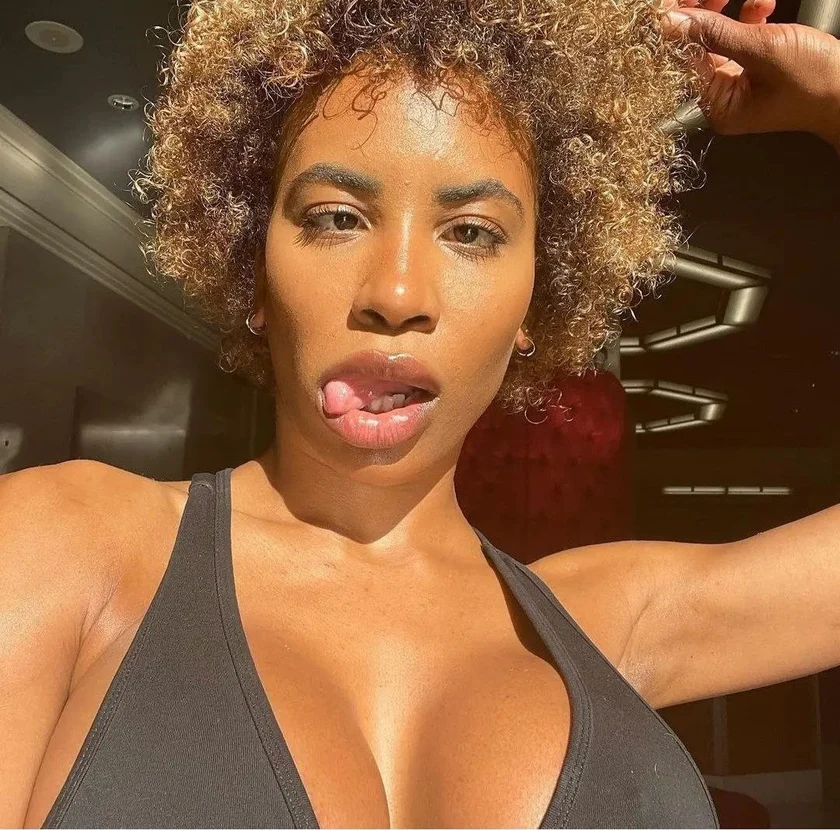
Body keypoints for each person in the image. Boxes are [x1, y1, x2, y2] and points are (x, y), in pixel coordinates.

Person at [2, 0, 839, 827]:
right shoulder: (63, 548)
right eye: (337, 218)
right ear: (255, 269)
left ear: (536, 300)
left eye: (471, 232)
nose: (397, 294)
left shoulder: (605, 625)